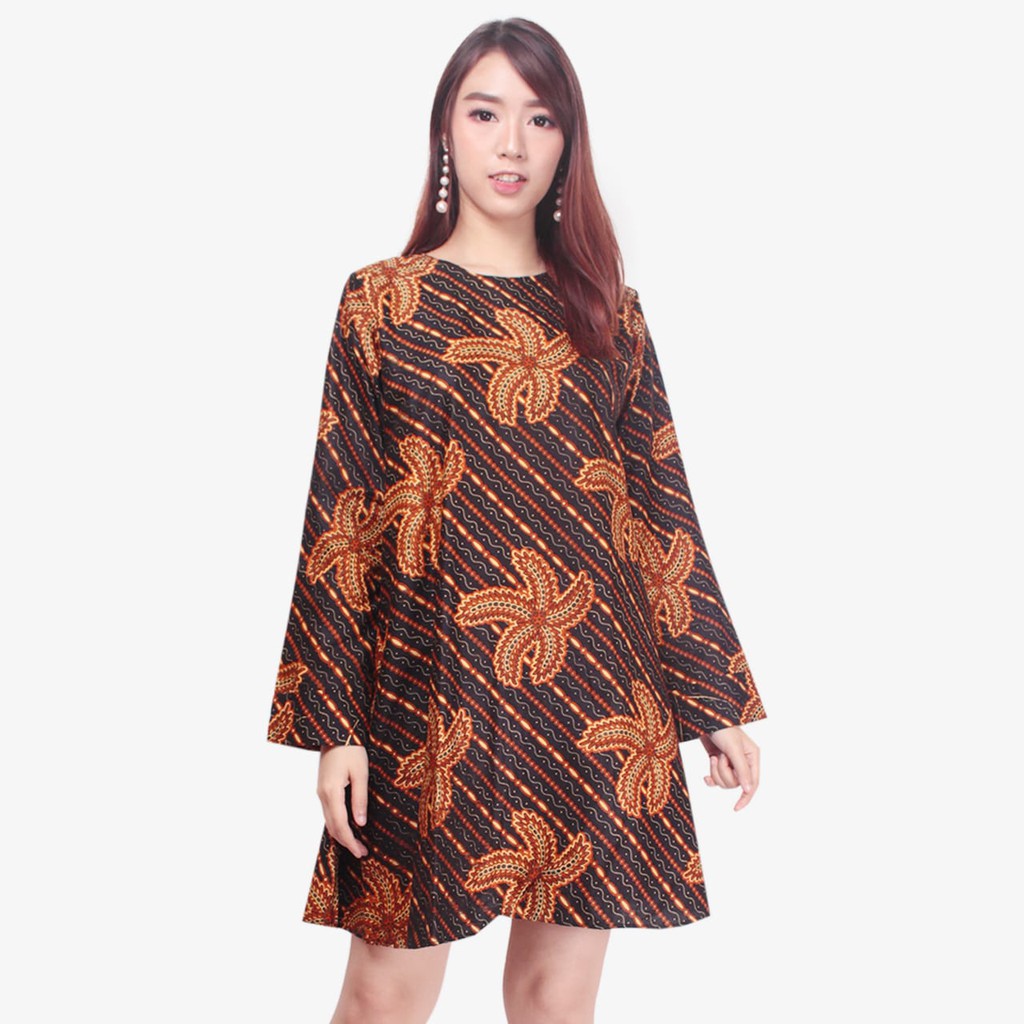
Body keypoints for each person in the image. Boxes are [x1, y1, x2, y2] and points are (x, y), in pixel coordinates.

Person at [266, 17, 767, 1024]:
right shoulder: (383, 302)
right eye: (485, 113)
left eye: (540, 119)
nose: (510, 144)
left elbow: (658, 507)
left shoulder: (607, 311)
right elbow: (341, 521)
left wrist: (711, 697)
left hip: (593, 689)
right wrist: (334, 730)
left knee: (552, 997)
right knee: (382, 993)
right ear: (445, 131)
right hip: (426, 694)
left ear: (567, 142)